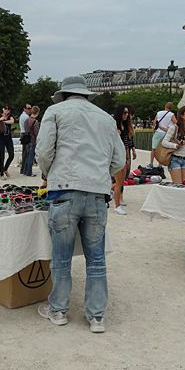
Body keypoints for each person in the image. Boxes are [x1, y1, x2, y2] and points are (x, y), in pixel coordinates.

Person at [35, 75, 126, 333]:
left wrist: (50, 172)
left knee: (61, 258)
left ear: (63, 94)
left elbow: (44, 152)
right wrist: (99, 174)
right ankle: (97, 316)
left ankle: (59, 310)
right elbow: (119, 160)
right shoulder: (106, 118)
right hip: (97, 193)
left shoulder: (55, 112)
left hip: (64, 190)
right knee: (96, 259)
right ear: (86, 95)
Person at [161, 104, 185, 184]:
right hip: (175, 159)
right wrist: (176, 145)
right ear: (181, 115)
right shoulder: (174, 127)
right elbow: (164, 142)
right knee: (178, 185)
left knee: (184, 185)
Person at [112, 105, 136, 215]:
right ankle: (117, 205)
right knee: (119, 182)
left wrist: (129, 155)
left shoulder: (125, 127)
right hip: (116, 156)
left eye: (127, 113)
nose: (127, 115)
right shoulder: (113, 126)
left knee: (121, 181)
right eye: (125, 113)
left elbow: (127, 142)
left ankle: (110, 193)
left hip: (124, 155)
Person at [0, 105, 15, 179]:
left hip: (8, 138)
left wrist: (4, 121)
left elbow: (12, 121)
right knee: (2, 156)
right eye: (5, 109)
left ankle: (5, 169)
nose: (7, 111)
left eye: (8, 109)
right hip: (0, 138)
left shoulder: (10, 116)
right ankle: (1, 173)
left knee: (11, 155)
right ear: (3, 109)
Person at [150, 102, 176, 167]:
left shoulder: (159, 113)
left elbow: (154, 122)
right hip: (166, 133)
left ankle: (151, 163)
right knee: (162, 149)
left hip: (158, 132)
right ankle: (160, 164)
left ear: (165, 106)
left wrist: (153, 131)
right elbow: (176, 123)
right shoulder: (171, 114)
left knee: (153, 148)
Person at [22, 106, 41, 177]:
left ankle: (25, 171)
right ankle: (29, 172)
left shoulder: (27, 120)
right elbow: (37, 133)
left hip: (27, 140)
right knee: (31, 157)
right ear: (37, 113)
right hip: (33, 141)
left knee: (27, 156)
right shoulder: (35, 122)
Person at [19, 103, 31, 171]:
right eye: (28, 108)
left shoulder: (23, 116)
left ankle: (23, 168)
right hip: (25, 134)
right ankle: (24, 168)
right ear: (25, 109)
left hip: (23, 133)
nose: (30, 110)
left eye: (30, 108)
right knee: (26, 152)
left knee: (25, 152)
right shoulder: (25, 117)